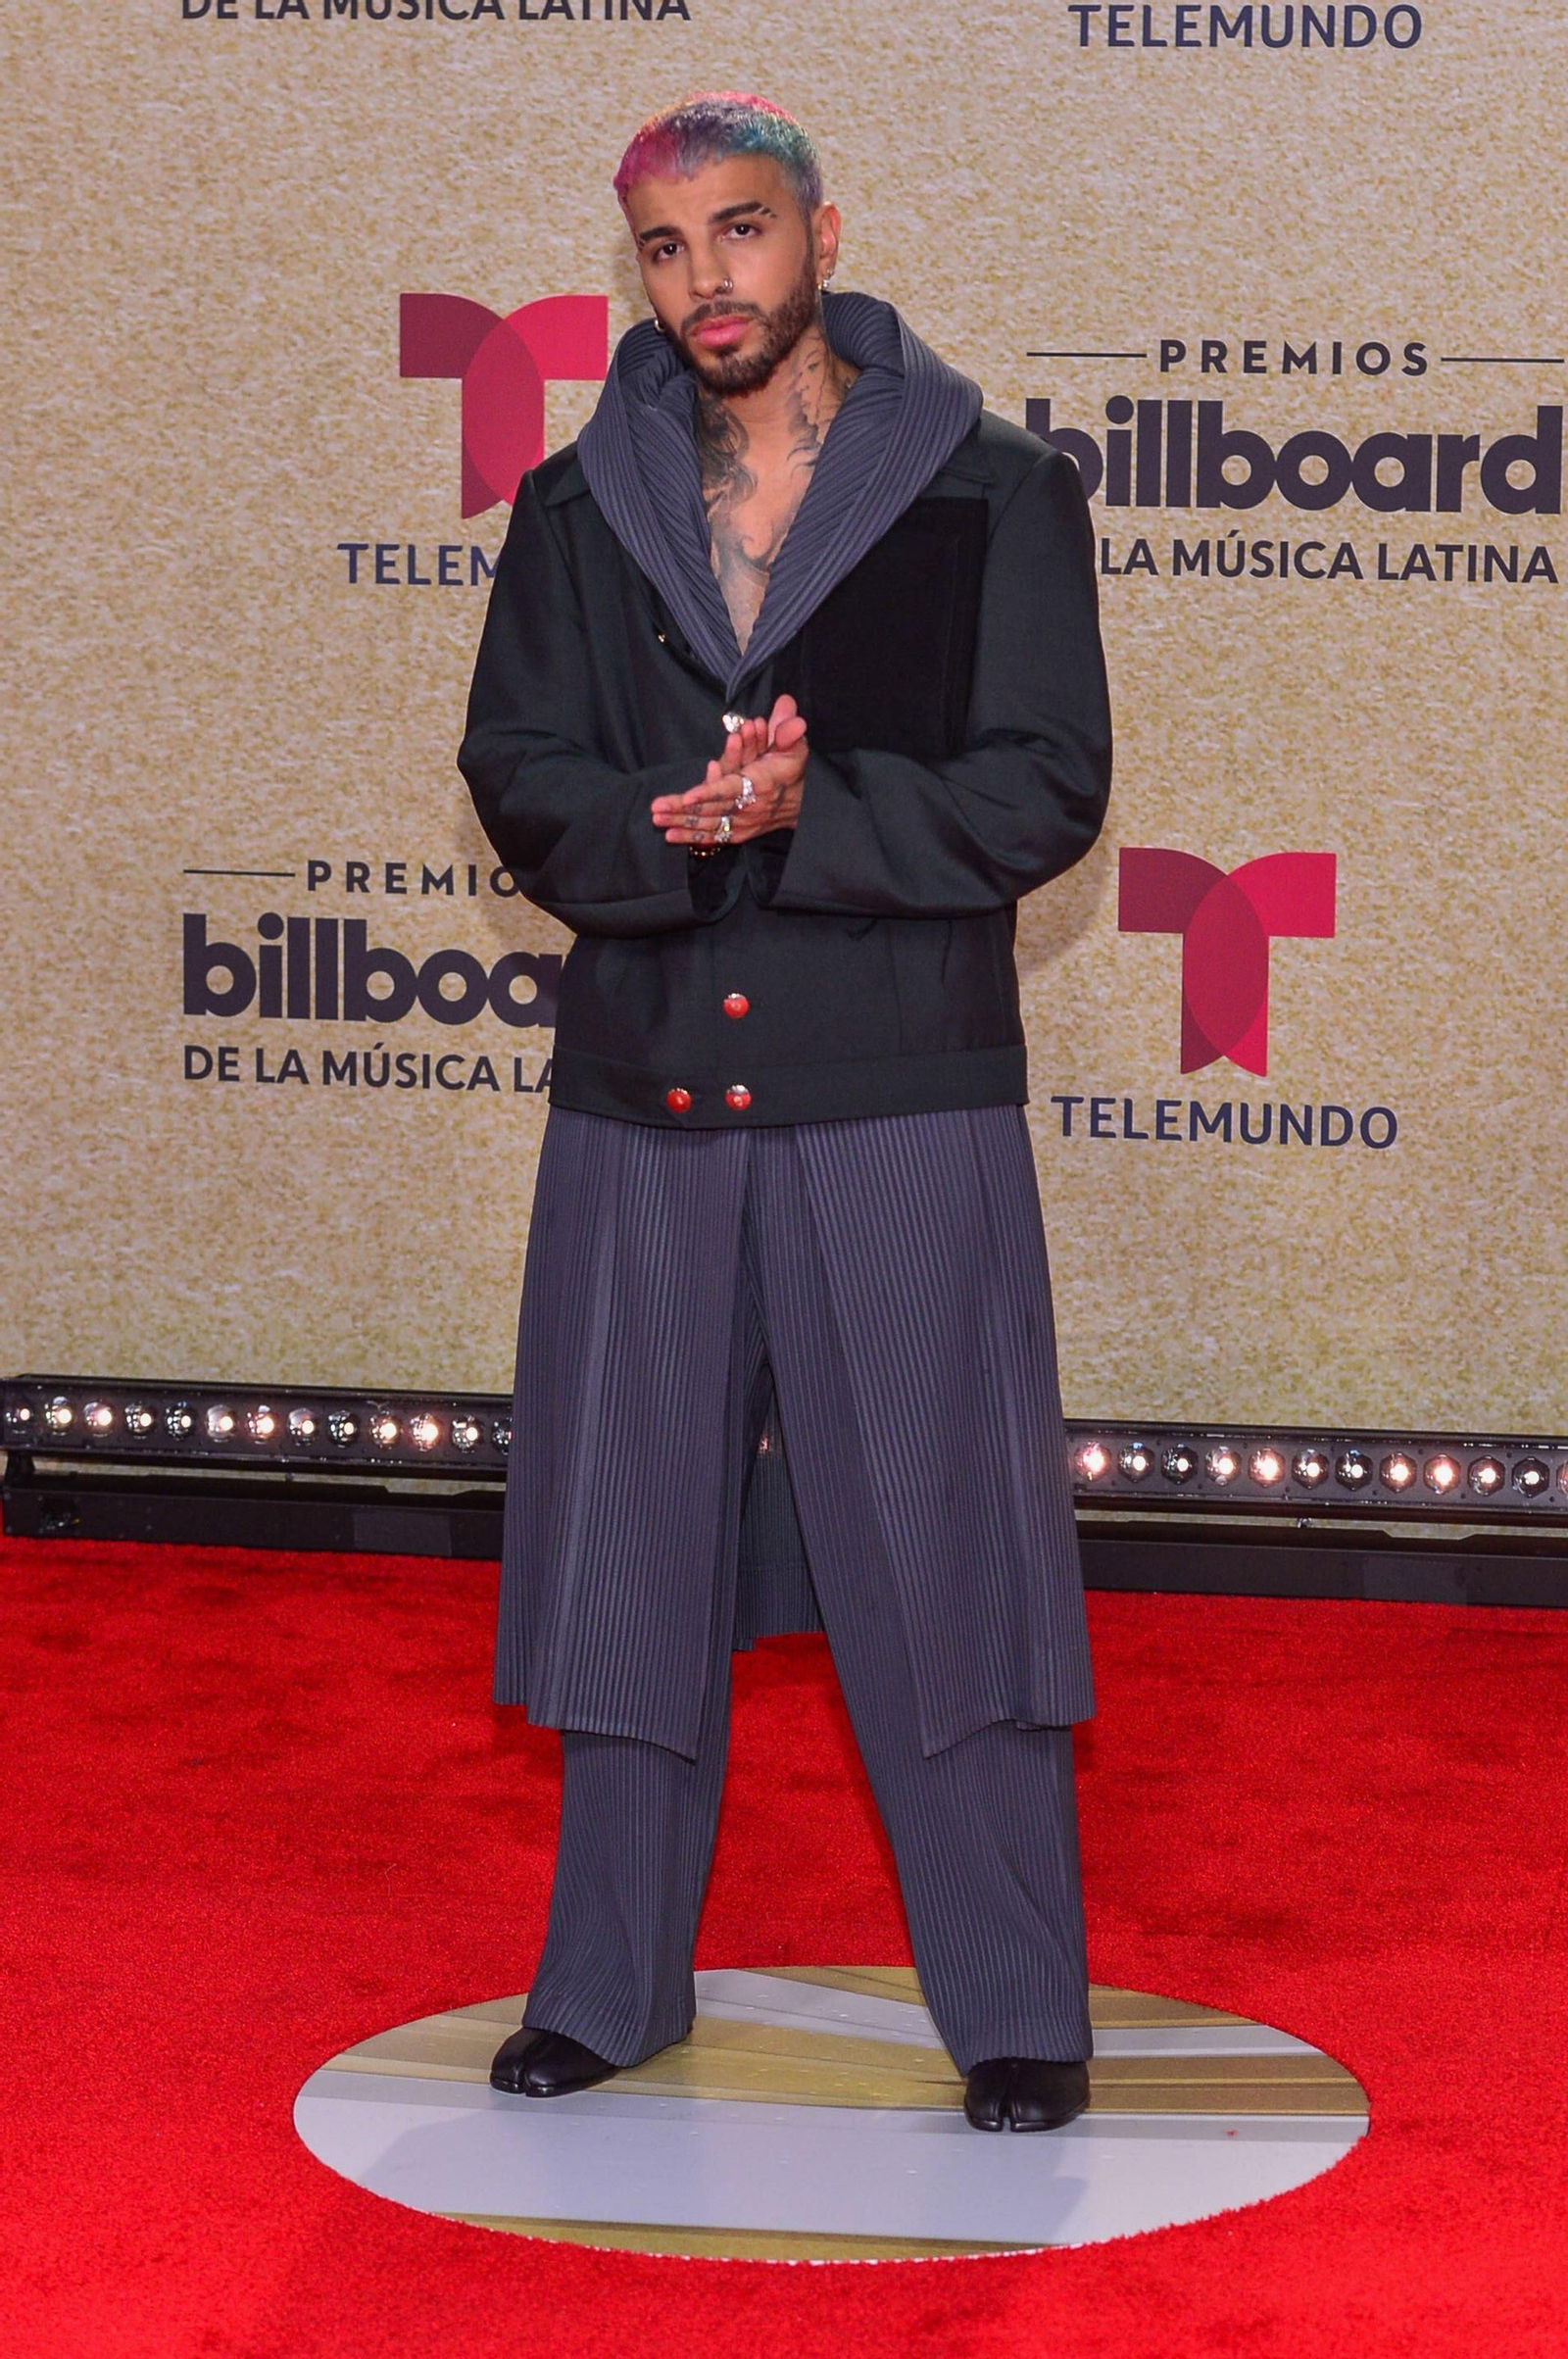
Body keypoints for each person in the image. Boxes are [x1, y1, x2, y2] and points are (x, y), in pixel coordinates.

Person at [458, 91, 1112, 2134]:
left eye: (738, 234)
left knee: (952, 1569)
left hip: (893, 1097)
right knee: (622, 1560)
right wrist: (673, 826)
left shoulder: (991, 493)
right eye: (661, 250)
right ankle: (607, 1985)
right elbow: (520, 769)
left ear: (821, 232)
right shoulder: (572, 508)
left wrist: (813, 809)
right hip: (643, 1094)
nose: (704, 283)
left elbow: (1041, 785)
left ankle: (1016, 2010)